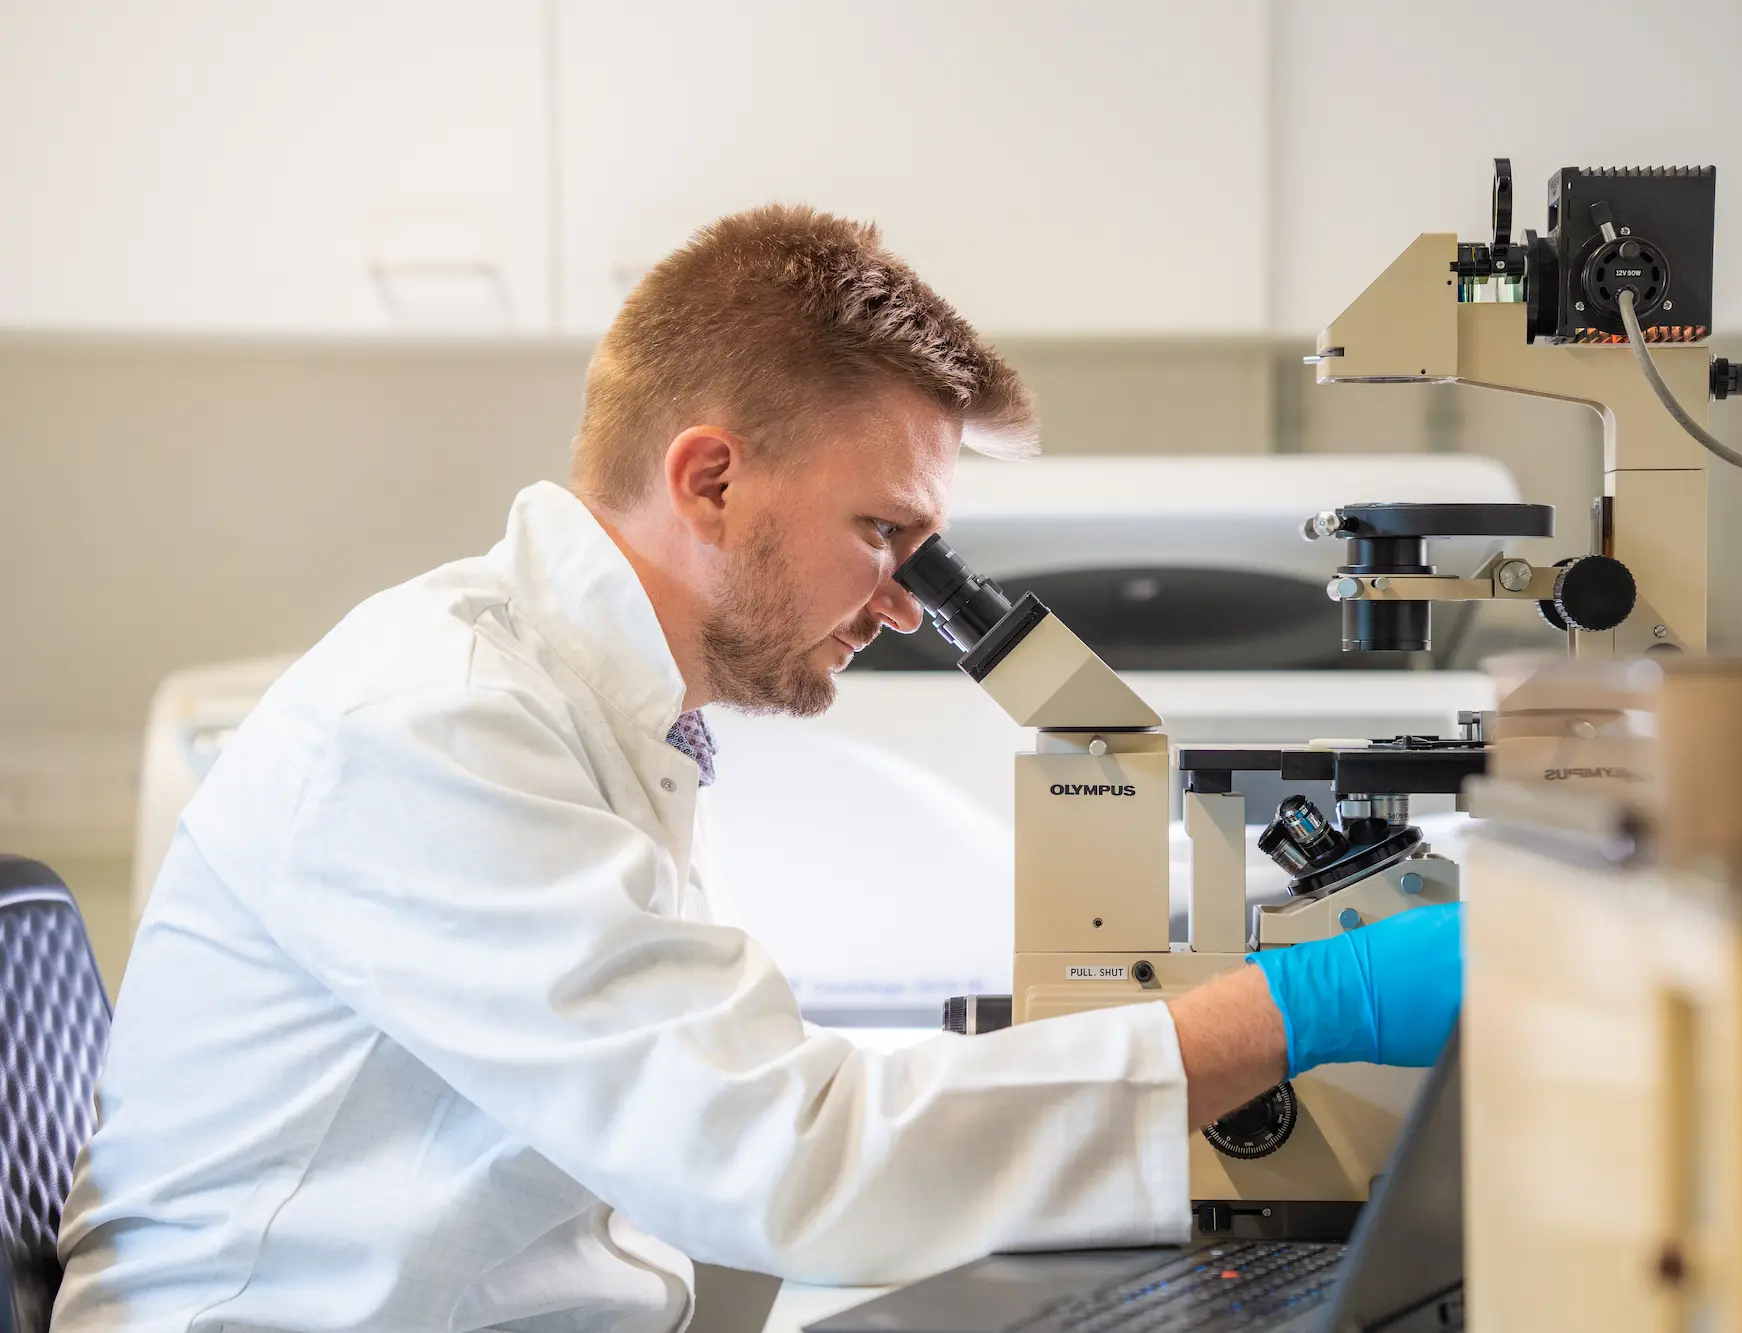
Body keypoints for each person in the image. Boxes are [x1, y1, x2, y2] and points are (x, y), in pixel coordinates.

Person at [54, 206, 1462, 1331]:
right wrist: (1298, 1006)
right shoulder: (440, 722)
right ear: (710, 480)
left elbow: (728, 1127)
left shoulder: (607, 708)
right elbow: (785, 1157)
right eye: (883, 535)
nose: (908, 604)